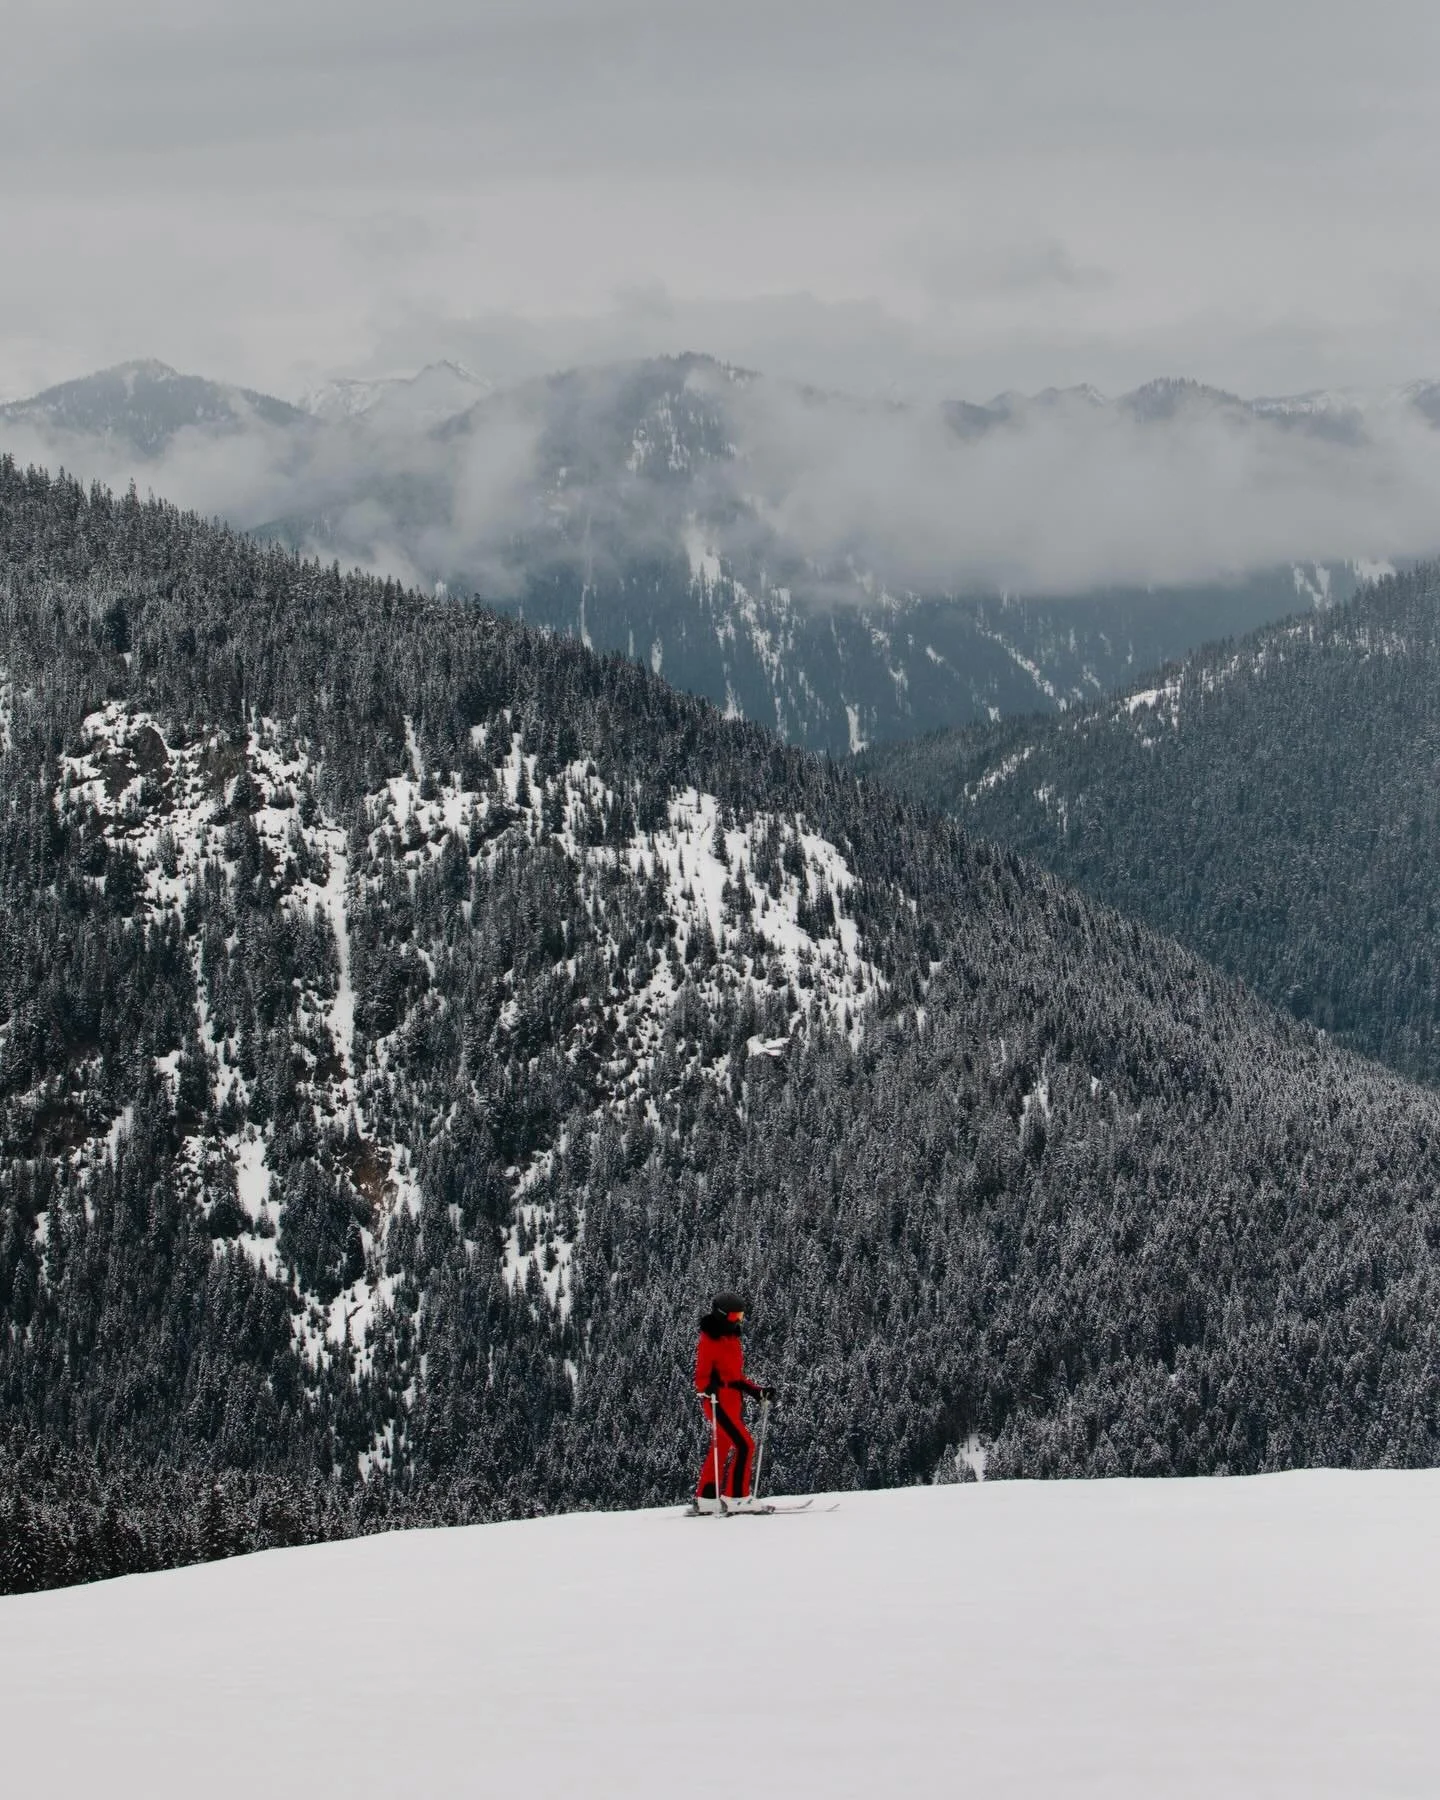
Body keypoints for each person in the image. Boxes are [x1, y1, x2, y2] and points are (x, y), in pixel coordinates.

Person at [693, 1291, 770, 1507]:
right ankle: (737, 1496)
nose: (738, 1321)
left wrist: (757, 1392)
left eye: (740, 1316)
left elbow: (736, 1377)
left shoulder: (732, 1338)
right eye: (734, 1316)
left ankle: (707, 1498)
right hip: (718, 1404)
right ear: (721, 1315)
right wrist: (709, 1388)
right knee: (745, 1445)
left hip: (732, 1402)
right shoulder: (710, 1340)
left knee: (723, 1446)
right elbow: (701, 1376)